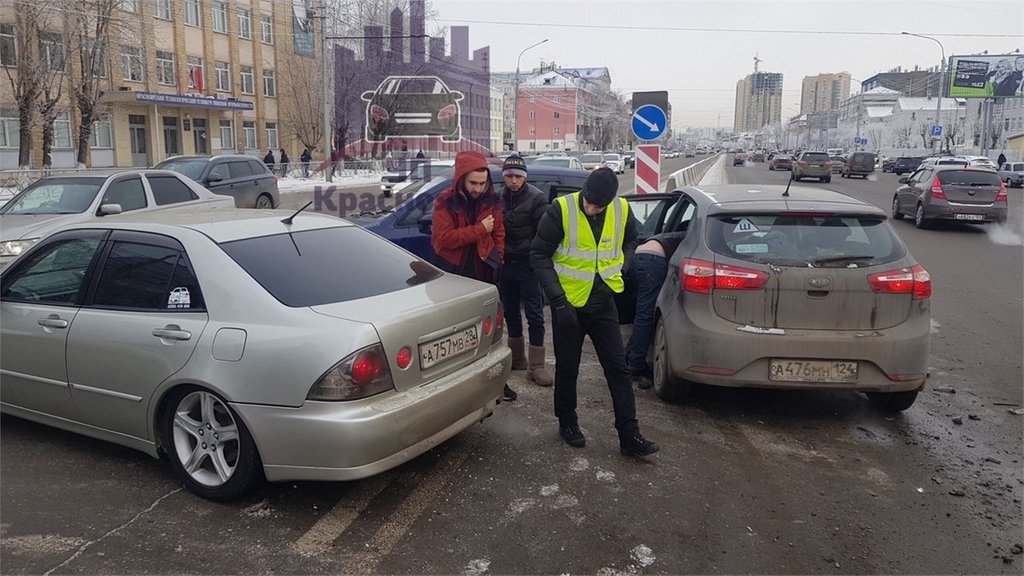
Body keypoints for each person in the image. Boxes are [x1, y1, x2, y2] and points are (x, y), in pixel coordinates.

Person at [531, 167, 659, 457]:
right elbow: (538, 255)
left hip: (603, 303)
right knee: (567, 369)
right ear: (584, 191)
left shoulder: (622, 209)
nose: (591, 208)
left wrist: (622, 267)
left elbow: (632, 239)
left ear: (610, 200)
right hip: (569, 306)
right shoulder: (560, 210)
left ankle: (629, 435)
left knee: (618, 369)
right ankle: (568, 423)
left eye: (598, 205)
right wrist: (558, 301)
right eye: (588, 201)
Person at [431, 151, 514, 402]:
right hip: (452, 274)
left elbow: (499, 233)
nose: (479, 188)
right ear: (461, 179)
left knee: (490, 330)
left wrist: (497, 259)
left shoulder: (492, 202)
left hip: (484, 272)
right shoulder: (445, 202)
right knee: (452, 332)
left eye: (483, 183)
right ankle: (453, 384)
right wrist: (479, 230)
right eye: (473, 183)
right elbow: (444, 241)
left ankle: (497, 381)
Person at [499, 154, 554, 387]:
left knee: (535, 315)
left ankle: (537, 366)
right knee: (510, 312)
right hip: (505, 266)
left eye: (518, 176)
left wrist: (528, 254)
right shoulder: (498, 199)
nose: (513, 181)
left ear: (524, 177)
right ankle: (517, 358)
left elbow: (542, 235)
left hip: (528, 267)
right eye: (509, 176)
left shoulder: (537, 199)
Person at [623, 231, 687, 389]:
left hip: (638, 257)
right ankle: (635, 366)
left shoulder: (672, 235)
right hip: (652, 262)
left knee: (641, 313)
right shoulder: (692, 237)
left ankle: (628, 357)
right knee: (646, 316)